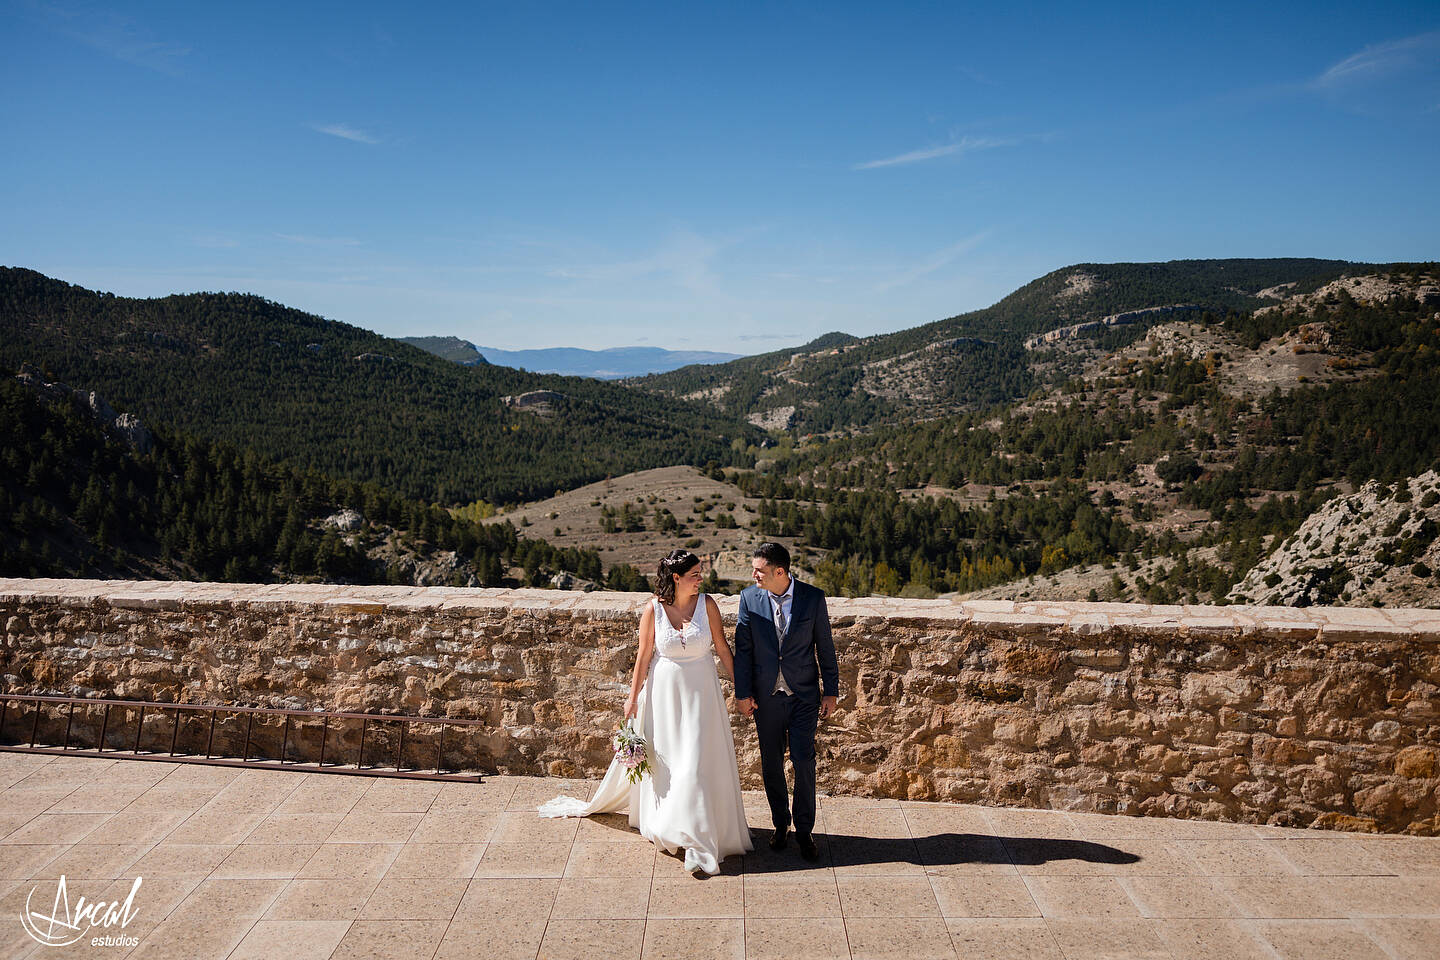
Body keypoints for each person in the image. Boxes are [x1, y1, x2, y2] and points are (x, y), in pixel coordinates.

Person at [538, 549, 752, 876]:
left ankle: (698, 836)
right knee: (671, 764)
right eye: (694, 574)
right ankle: (673, 822)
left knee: (695, 763)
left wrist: (742, 688)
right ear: (676, 578)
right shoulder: (653, 609)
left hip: (701, 696)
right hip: (664, 696)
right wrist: (632, 698)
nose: (700, 578)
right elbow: (643, 657)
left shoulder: (708, 605)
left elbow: (722, 648)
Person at [732, 542, 839, 863]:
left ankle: (805, 830)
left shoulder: (812, 597)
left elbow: (825, 646)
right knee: (771, 764)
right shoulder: (749, 598)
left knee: (805, 761)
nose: (753, 575)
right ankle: (781, 824)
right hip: (765, 698)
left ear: (780, 572)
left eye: (759, 570)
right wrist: (742, 693)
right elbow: (744, 651)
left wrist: (830, 690)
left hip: (804, 696)